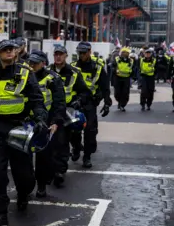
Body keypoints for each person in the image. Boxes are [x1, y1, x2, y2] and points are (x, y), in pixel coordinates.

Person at [0, 40, 47, 226]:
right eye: (5, 50)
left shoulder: (25, 73)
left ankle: (23, 194)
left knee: (24, 174)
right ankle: (0, 213)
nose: (9, 52)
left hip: (20, 127)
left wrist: (41, 118)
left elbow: (37, 99)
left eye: (12, 49)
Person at [49, 45, 91, 186]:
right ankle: (49, 171)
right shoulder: (46, 71)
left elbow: (84, 91)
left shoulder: (74, 73)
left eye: (61, 54)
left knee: (62, 142)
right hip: (49, 112)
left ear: (66, 56)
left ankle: (60, 171)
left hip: (66, 112)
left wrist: (79, 101)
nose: (58, 57)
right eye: (56, 54)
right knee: (49, 144)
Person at [27, 50, 66, 198]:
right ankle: (26, 185)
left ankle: (42, 184)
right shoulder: (24, 75)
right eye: (30, 62)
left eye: (35, 63)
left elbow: (59, 103)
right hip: (27, 121)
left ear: (43, 63)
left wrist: (55, 122)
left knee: (44, 156)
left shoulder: (52, 79)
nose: (32, 65)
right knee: (24, 155)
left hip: (46, 121)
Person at [71, 42, 111, 168]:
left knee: (90, 131)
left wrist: (107, 103)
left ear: (89, 52)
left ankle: (87, 156)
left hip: (90, 103)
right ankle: (77, 148)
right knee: (73, 130)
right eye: (79, 53)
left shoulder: (98, 67)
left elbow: (105, 86)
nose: (81, 55)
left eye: (84, 52)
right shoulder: (72, 67)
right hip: (75, 103)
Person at [112, 47, 133, 111]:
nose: (125, 54)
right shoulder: (117, 59)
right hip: (118, 78)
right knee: (117, 93)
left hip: (126, 78)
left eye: (126, 53)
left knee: (125, 93)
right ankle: (119, 102)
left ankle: (122, 105)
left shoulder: (131, 61)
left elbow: (133, 69)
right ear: (121, 53)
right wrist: (115, 70)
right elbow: (113, 66)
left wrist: (134, 77)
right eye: (123, 52)